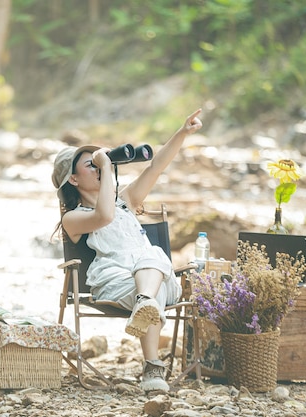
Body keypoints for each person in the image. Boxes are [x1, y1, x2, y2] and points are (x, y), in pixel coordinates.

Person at [51, 109, 203, 392]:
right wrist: (107, 167)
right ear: (73, 180)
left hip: (154, 277)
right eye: (91, 165)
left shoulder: (126, 201)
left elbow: (155, 167)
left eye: (99, 163)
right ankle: (152, 367)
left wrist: (183, 132)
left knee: (153, 257)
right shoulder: (73, 218)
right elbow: (104, 216)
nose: (99, 167)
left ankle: (145, 304)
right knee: (153, 270)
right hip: (116, 284)